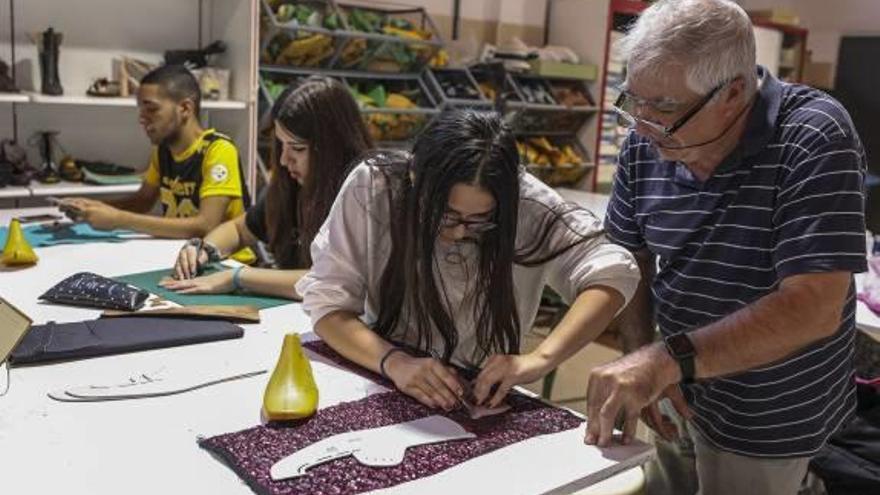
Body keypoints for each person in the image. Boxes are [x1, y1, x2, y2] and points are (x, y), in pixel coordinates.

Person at [584, 1, 868, 494]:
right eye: (633, 101)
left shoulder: (812, 134)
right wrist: (642, 358)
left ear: (734, 92)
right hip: (676, 387)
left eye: (666, 109)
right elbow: (634, 260)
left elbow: (814, 308)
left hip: (771, 414)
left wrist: (663, 360)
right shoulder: (645, 142)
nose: (643, 126)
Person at [296, 109, 640, 411]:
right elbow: (328, 306)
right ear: (415, 178)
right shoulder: (374, 188)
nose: (460, 233)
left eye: (479, 220)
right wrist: (395, 362)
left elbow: (612, 271)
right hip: (379, 365)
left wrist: (540, 359)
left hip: (477, 389)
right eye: (446, 216)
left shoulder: (529, 205)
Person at [160, 76, 373, 299]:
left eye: (297, 149)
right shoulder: (292, 186)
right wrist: (205, 250)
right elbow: (239, 229)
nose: (283, 160)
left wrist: (238, 277)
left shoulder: (362, 193)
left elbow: (333, 282)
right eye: (281, 145)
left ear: (332, 146)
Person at [62, 65, 252, 261]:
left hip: (227, 263)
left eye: (151, 109)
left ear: (185, 108)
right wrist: (95, 207)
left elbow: (205, 226)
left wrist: (119, 219)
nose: (142, 119)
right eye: (141, 110)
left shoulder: (219, 150)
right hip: (185, 258)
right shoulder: (162, 151)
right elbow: (142, 201)